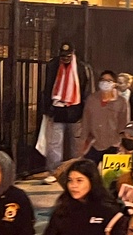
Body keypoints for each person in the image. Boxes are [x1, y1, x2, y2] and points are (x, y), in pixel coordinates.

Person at [39, 41, 95, 171]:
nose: (65, 59)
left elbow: (87, 91)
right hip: (57, 110)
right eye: (63, 56)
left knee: (77, 145)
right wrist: (47, 109)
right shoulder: (53, 65)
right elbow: (47, 88)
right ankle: (54, 171)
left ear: (73, 54)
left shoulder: (82, 68)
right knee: (54, 144)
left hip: (76, 111)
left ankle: (76, 169)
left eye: (68, 56)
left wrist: (86, 112)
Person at [79, 70, 131, 161]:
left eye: (109, 80)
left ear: (114, 84)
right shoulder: (91, 99)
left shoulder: (121, 102)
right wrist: (82, 142)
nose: (105, 83)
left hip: (113, 145)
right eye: (103, 80)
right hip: (93, 144)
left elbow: (124, 124)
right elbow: (86, 122)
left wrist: (123, 144)